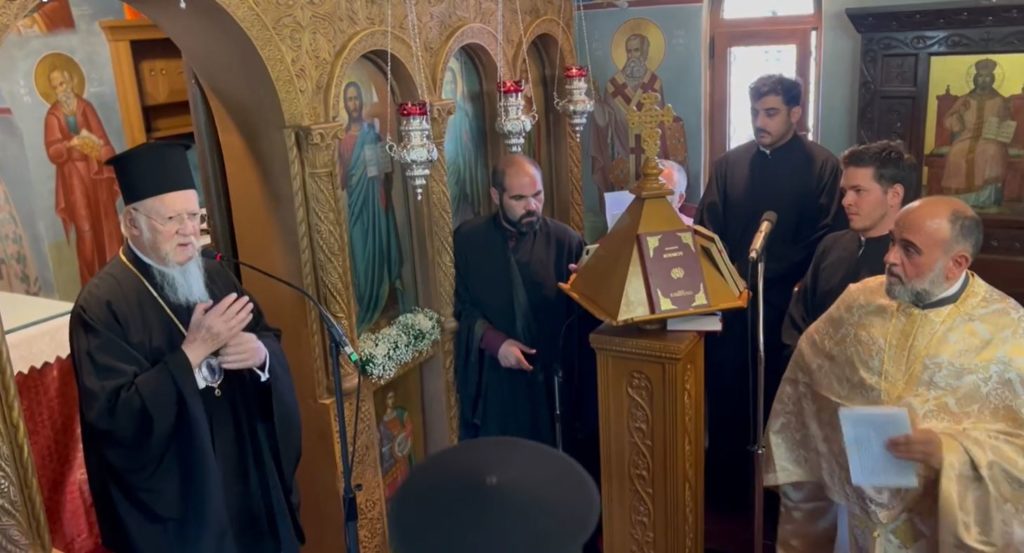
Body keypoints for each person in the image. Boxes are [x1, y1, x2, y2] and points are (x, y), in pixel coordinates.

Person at [70, 141, 303, 553]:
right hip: (184, 506)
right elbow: (115, 421)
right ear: (131, 223)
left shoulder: (215, 275)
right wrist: (191, 355)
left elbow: (266, 336)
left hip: (247, 481)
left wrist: (261, 356)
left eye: (194, 216)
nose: (189, 230)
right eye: (172, 218)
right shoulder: (102, 306)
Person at [765, 196, 1024, 551]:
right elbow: (804, 385)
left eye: (909, 250)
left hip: (936, 527)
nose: (889, 258)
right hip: (854, 517)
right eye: (892, 242)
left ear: (956, 264)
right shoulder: (858, 302)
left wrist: (949, 453)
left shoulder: (1008, 332)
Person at [695, 74, 845, 516]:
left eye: (771, 113)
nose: (760, 121)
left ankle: (776, 499)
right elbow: (706, 229)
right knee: (726, 394)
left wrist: (771, 274)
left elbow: (826, 238)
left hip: (786, 306)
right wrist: (729, 278)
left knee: (777, 399)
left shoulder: (822, 165)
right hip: (731, 304)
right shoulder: (729, 165)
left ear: (795, 113)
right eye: (755, 112)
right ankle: (725, 495)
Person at [453, 154, 600, 472]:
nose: (532, 206)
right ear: (496, 196)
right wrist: (496, 343)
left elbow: (588, 318)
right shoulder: (468, 241)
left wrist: (588, 288)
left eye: (537, 195)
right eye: (519, 198)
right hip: (498, 384)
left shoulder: (565, 241)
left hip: (552, 386)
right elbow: (462, 307)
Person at [782, 140, 920, 363]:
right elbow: (798, 320)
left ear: (894, 195)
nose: (846, 201)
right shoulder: (831, 245)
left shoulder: (913, 259)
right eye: (845, 192)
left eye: (858, 191)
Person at [44, 67, 123, 286]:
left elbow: (105, 143)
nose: (61, 90)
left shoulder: (86, 107)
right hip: (73, 179)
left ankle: (116, 279)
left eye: (63, 83)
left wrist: (98, 149)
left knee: (106, 224)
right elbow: (52, 151)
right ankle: (92, 284)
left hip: (95, 175)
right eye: (56, 86)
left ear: (71, 81)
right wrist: (70, 144)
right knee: (85, 229)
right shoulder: (53, 115)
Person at [337, 80, 405, 333]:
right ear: (345, 105)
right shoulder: (342, 140)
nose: (354, 104)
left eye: (356, 98)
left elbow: (385, 172)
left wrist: (380, 171)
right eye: (349, 99)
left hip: (376, 205)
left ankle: (387, 310)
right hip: (357, 207)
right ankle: (368, 310)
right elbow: (340, 180)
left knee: (381, 251)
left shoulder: (372, 134)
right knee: (362, 260)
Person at [940, 58, 1014, 209]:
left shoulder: (999, 101)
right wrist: (959, 115)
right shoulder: (965, 99)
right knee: (956, 152)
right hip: (966, 137)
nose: (983, 80)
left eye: (987, 76)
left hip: (991, 138)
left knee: (992, 151)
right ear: (975, 78)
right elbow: (948, 120)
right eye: (980, 76)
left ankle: (986, 200)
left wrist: (1002, 124)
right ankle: (961, 200)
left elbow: (1007, 122)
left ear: (992, 79)